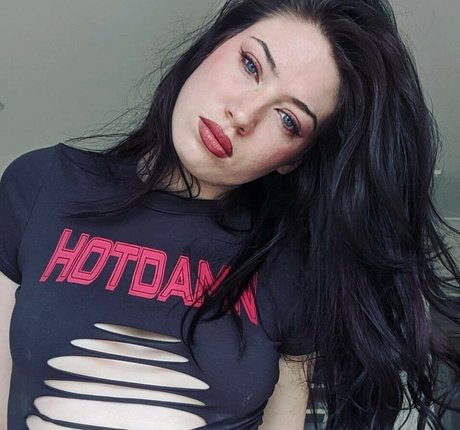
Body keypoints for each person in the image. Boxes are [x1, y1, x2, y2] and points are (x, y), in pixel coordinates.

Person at [1, 0, 459, 428]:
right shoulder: (40, 184)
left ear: (293, 159)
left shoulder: (292, 264)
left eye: (288, 120)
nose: (243, 114)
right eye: (251, 65)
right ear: (212, 46)